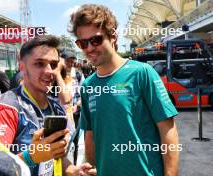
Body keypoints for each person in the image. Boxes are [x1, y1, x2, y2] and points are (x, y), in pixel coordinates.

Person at [69, 4, 179, 176]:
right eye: (82, 43)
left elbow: (168, 130)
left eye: (96, 40)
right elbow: (89, 135)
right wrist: (92, 166)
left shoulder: (142, 73)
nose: (89, 48)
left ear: (113, 36)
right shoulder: (88, 86)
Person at [0, 35, 93, 175]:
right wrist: (31, 157)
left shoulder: (56, 107)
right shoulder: (5, 108)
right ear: (22, 66)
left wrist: (75, 171)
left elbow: (58, 156)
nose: (48, 71)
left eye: (53, 65)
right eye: (39, 64)